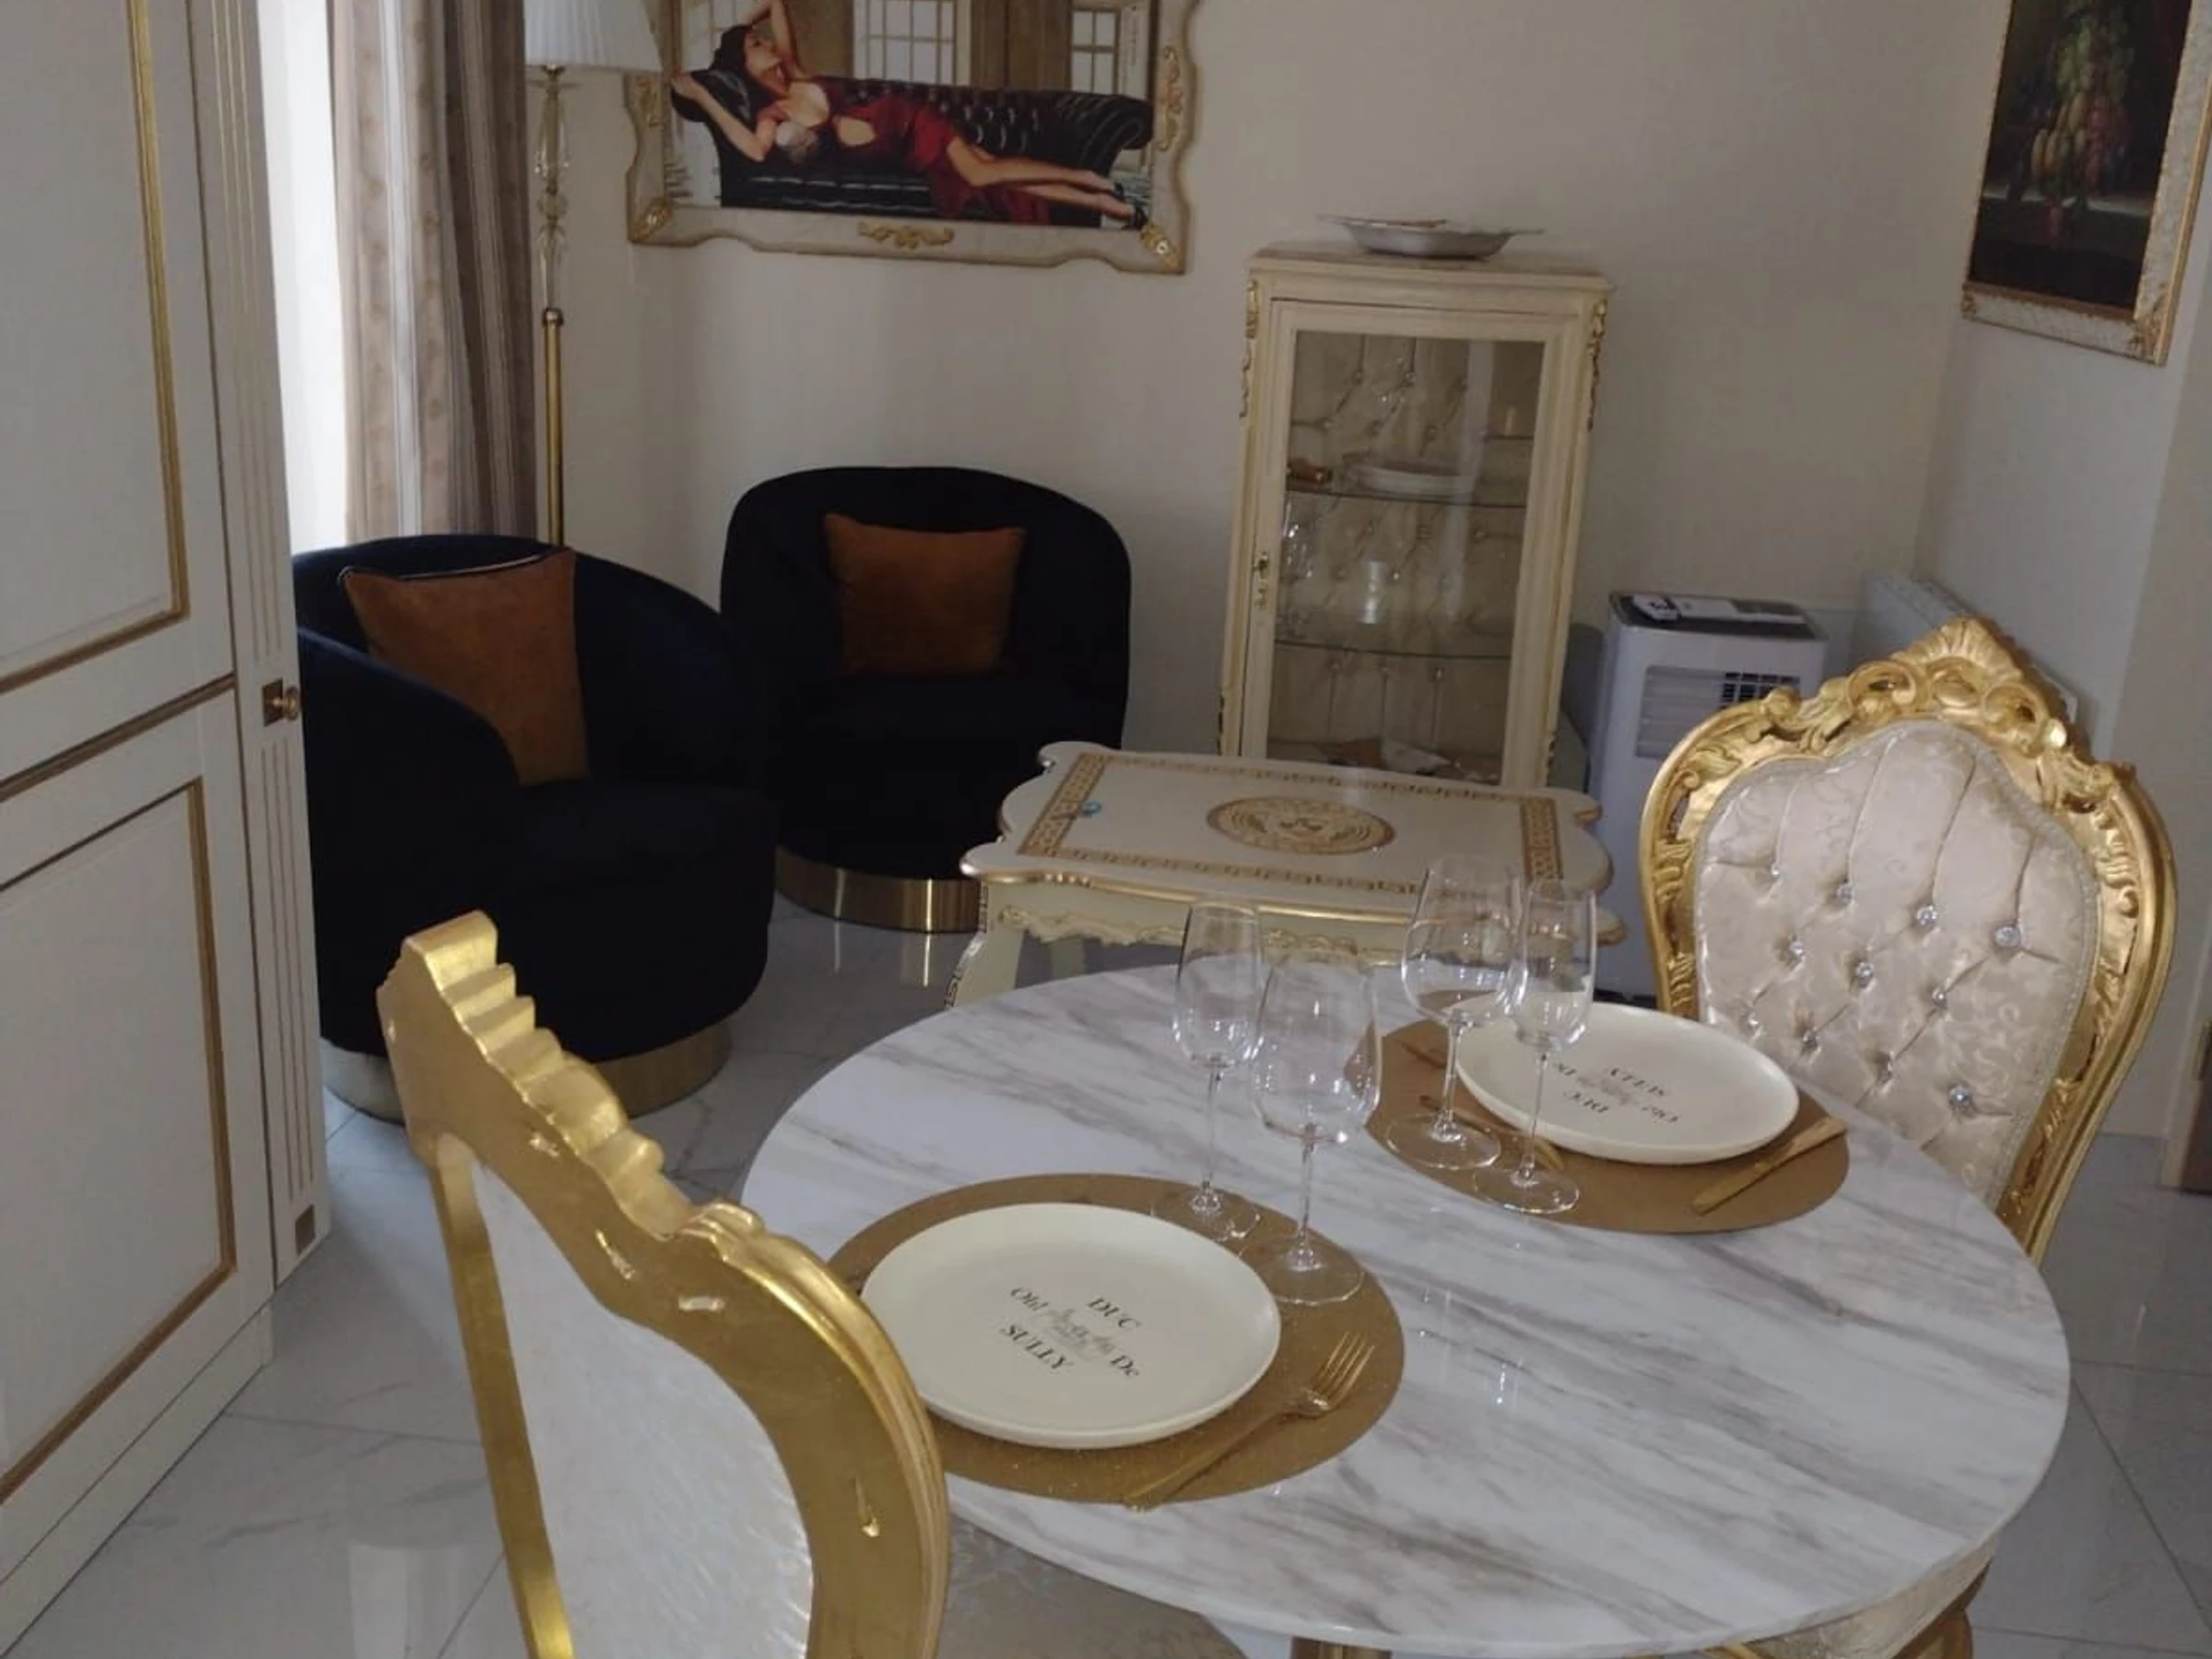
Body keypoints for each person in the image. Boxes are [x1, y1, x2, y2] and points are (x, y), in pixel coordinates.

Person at [671, 0, 1141, 228]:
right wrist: (703, 92)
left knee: (984, 172)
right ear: (745, 65)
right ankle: (1105, 202)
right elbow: (754, 151)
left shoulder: (796, 73)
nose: (766, 44)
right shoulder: (771, 115)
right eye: (756, 46)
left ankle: (1091, 181)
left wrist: (737, 34)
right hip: (900, 149)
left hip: (908, 119)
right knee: (997, 178)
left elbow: (776, 2)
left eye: (760, 40)